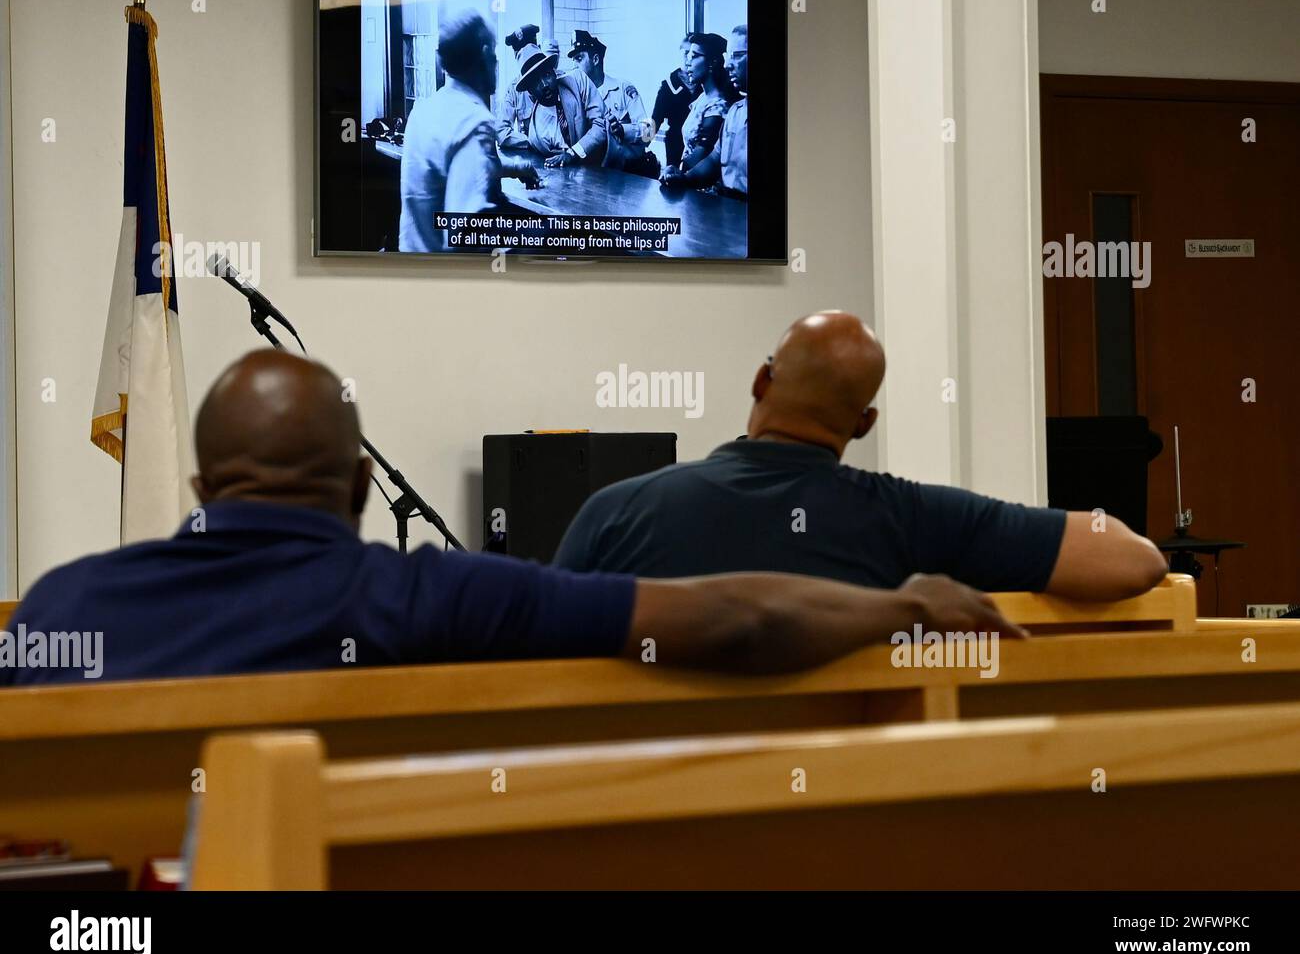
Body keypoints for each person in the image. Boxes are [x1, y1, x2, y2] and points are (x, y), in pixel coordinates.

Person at [0, 349, 1021, 686]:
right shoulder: (435, 592)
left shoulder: (64, 606)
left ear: (197, 490)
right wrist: (898, 606)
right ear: (360, 487)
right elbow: (731, 619)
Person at [555, 312, 1168, 601]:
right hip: (846, 821)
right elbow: (1135, 561)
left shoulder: (617, 513)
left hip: (661, 818)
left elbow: (539, 659)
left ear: (759, 383)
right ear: (866, 422)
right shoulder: (916, 519)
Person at [398, 9, 538, 252]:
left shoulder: (424, 110)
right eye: (494, 52)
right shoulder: (473, 121)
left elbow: (456, 165)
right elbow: (465, 231)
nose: (496, 61)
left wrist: (515, 167)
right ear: (485, 55)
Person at [662, 25, 747, 198]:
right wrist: (642, 140)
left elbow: (706, 150)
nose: (687, 61)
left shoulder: (720, 105)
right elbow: (653, 121)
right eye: (686, 54)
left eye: (736, 56)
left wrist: (678, 170)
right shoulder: (670, 86)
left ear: (711, 62)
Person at [566, 29, 656, 176]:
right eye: (573, 60)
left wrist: (623, 130)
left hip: (629, 173)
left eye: (579, 58)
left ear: (595, 60)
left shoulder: (622, 89)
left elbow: (649, 132)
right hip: (594, 174)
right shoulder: (576, 98)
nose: (575, 66)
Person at [515, 43, 607, 168]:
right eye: (536, 82)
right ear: (530, 91)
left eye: (547, 75)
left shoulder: (578, 81)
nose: (544, 85)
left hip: (606, 165)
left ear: (554, 73)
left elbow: (601, 125)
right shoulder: (536, 135)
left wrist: (572, 153)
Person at [649, 38, 700, 172]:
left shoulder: (704, 83)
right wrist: (641, 143)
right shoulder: (669, 85)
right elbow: (656, 118)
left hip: (701, 145)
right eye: (686, 53)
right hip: (676, 143)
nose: (689, 58)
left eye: (693, 55)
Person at [496, 23, 541, 152]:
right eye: (520, 56)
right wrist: (534, 142)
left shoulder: (554, 81)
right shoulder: (513, 89)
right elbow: (501, 133)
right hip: (532, 155)